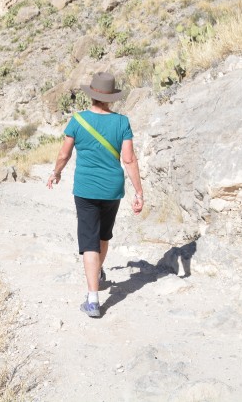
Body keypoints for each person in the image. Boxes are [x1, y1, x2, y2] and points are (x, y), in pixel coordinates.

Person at [47, 72, 144, 318]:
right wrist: (139, 191)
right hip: (112, 189)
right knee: (103, 235)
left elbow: (63, 154)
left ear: (92, 94)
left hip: (86, 189)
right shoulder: (122, 122)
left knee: (88, 240)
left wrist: (56, 173)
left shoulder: (77, 121)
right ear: (111, 97)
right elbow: (129, 159)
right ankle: (98, 271)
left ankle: (93, 300)